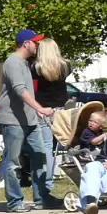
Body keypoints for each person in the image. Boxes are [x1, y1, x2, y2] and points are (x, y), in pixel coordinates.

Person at [0, 29, 62, 213]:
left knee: (40, 157)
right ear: (26, 43)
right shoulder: (12, 62)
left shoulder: (25, 63)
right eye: (35, 42)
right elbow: (20, 90)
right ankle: (15, 202)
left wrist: (36, 112)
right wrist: (40, 108)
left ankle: (43, 198)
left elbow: (28, 93)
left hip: (30, 121)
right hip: (13, 121)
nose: (38, 45)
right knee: (13, 162)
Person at [31, 37, 71, 187]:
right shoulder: (66, 65)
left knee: (47, 145)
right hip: (60, 108)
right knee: (63, 142)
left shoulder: (35, 67)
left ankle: (48, 180)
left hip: (43, 109)